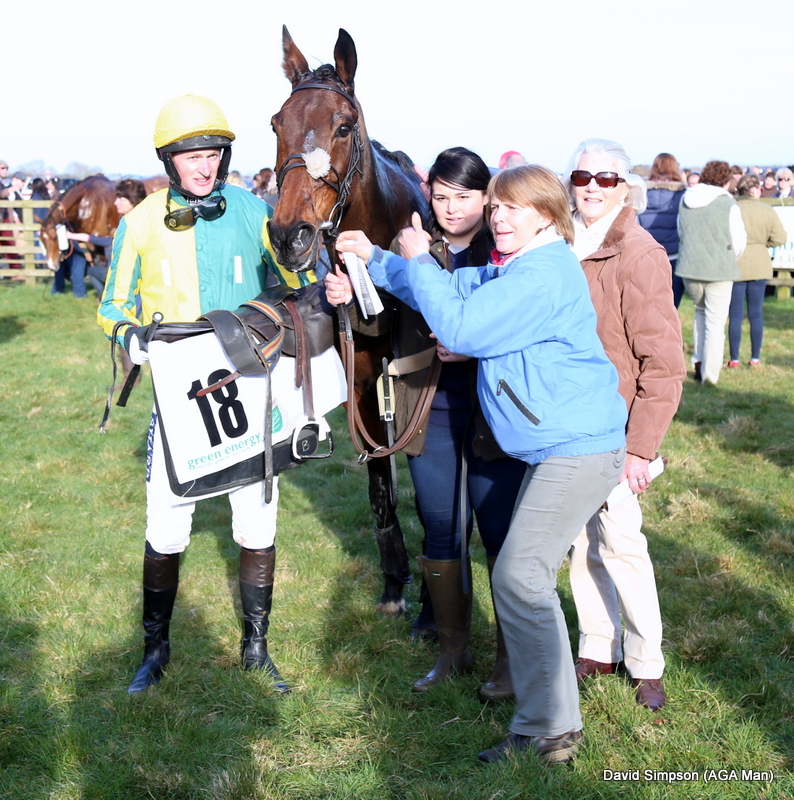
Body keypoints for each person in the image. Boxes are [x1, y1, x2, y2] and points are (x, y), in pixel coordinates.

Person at [327, 164, 628, 765]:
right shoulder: (517, 267)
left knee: (520, 576)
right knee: (523, 577)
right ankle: (551, 723)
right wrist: (378, 260)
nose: (499, 217)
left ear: (548, 215)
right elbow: (453, 290)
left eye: (514, 208)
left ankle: (548, 727)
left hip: (578, 447)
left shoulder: (542, 274)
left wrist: (417, 256)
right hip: (559, 443)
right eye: (497, 208)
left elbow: (459, 325)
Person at [98, 94, 314, 695]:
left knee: (257, 521)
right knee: (166, 526)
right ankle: (154, 650)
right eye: (192, 156)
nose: (205, 165)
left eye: (213, 153)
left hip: (250, 386)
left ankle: (256, 649)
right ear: (169, 161)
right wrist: (130, 335)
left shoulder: (251, 209)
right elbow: (111, 304)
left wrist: (303, 261)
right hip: (178, 396)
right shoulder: (140, 222)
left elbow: (296, 279)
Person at [390, 148, 526, 700]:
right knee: (441, 528)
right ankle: (452, 652)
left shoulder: (509, 252)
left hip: (497, 418)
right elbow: (386, 316)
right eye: (441, 196)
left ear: (487, 197)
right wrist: (349, 295)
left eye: (464, 196)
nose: (451, 208)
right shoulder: (415, 248)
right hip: (432, 412)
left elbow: (524, 325)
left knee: (500, 534)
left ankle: (511, 661)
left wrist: (475, 347)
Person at [565, 138, 685, 713]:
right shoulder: (559, 243)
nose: (592, 187)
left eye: (606, 178)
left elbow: (663, 362)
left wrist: (641, 447)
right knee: (579, 540)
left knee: (621, 542)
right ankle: (597, 646)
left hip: (616, 426)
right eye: (582, 176)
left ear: (624, 186)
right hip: (566, 423)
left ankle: (645, 662)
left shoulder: (638, 252)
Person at [676, 160, 746, 385]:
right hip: (719, 269)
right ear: (726, 181)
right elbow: (738, 241)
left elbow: (681, 232)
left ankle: (698, 362)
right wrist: (729, 258)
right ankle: (710, 375)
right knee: (715, 323)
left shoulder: (686, 200)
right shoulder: (728, 204)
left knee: (700, 314)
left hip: (690, 267)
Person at [728, 174, 787, 367]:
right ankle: (755, 358)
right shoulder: (766, 209)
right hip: (760, 264)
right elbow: (780, 238)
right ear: (754, 190)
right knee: (756, 314)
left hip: (735, 263)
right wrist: (762, 243)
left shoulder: (731, 208)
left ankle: (734, 358)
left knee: (735, 315)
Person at [637, 152, 687, 307]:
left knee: (647, 306)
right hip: (674, 254)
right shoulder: (683, 195)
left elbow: (636, 223)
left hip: (647, 254)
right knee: (671, 306)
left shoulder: (642, 193)